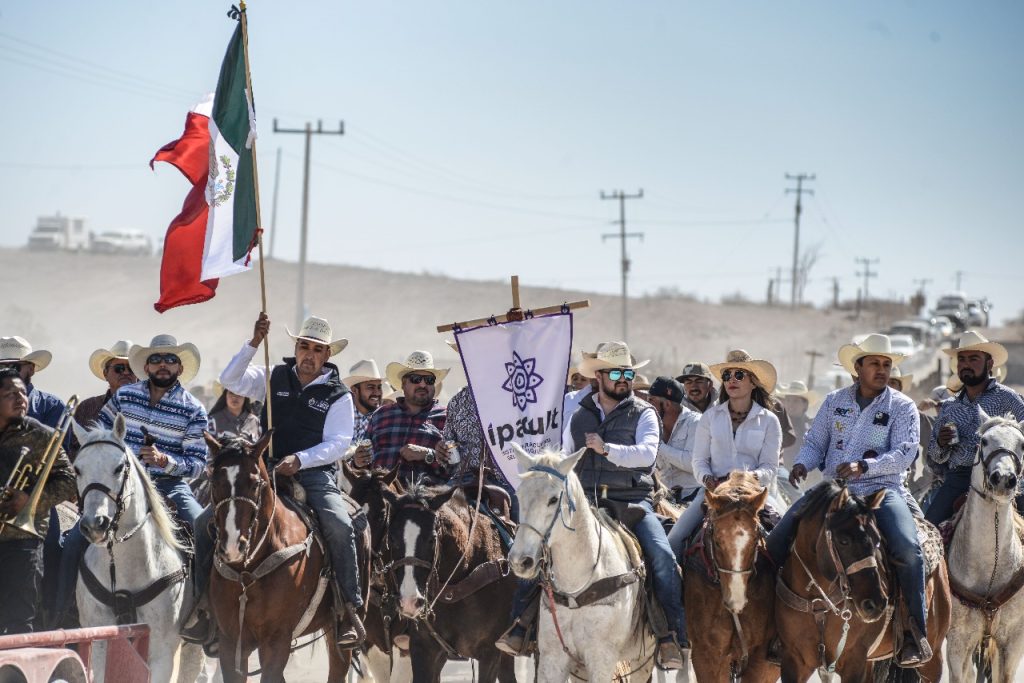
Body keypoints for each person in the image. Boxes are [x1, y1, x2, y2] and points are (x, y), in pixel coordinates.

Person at [498, 342, 687, 669]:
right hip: (581, 499)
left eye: (629, 373)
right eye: (616, 373)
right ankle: (522, 624)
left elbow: (647, 454)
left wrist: (606, 449)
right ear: (598, 376)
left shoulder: (644, 413)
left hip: (631, 501)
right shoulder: (574, 409)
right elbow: (562, 452)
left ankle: (671, 636)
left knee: (662, 557)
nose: (624, 379)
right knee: (537, 544)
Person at [766, 334, 930, 665]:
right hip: (835, 490)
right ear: (857, 368)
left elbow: (904, 453)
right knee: (778, 539)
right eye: (875, 364)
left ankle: (914, 632)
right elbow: (815, 441)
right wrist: (803, 463)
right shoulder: (834, 401)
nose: (882, 370)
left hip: (881, 490)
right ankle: (772, 628)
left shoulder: (902, 406)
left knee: (909, 550)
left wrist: (864, 465)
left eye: (886, 365)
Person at [209, 312, 363, 647]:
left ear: (327, 355)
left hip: (314, 473)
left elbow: (339, 442)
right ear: (296, 347)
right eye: (304, 346)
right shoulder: (273, 375)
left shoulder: (338, 394)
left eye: (317, 349)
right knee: (208, 520)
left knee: (340, 525)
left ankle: (347, 608)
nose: (309, 354)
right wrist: (253, 343)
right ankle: (205, 609)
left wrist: (302, 459)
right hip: (265, 470)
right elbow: (230, 379)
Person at [667, 351, 783, 555]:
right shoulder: (710, 418)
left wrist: (750, 478)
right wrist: (707, 479)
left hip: (753, 493)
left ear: (753, 383)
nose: (731, 380)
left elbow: (770, 467)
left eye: (739, 375)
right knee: (673, 541)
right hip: (715, 492)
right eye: (727, 375)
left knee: (784, 541)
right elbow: (699, 461)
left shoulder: (769, 421)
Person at [0, 367, 76, 634]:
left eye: (23, 392)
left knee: (20, 619)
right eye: (10, 393)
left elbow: (69, 482)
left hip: (23, 539)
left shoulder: (41, 435)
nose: (21, 398)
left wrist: (30, 499)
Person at [924, 331, 1024, 525]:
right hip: (960, 477)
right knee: (929, 532)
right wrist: (941, 442)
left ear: (989, 364)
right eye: (962, 359)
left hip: (1004, 473)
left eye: (973, 358)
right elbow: (935, 457)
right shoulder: (949, 407)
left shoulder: (1008, 398)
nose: (966, 364)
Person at [363, 351, 449, 481]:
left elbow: (458, 467)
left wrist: (427, 454)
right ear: (403, 383)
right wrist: (358, 461)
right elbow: (362, 465)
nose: (423, 385)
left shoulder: (447, 418)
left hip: (425, 498)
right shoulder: (380, 415)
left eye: (429, 380)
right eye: (416, 379)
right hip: (378, 496)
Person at [648, 376, 701, 504]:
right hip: (663, 497)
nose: (647, 405)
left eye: (651, 400)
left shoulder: (697, 422)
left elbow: (693, 464)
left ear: (666, 404)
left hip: (694, 497)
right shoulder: (652, 426)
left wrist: (658, 446)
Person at [75, 340, 137, 435]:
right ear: (105, 373)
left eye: (132, 368)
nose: (126, 372)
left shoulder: (150, 408)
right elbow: (72, 447)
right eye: (119, 368)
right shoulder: (86, 407)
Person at [344, 359, 384, 469]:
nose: (377, 393)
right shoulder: (341, 413)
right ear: (355, 390)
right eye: (370, 387)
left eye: (379, 387)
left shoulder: (383, 417)